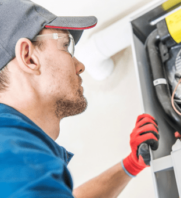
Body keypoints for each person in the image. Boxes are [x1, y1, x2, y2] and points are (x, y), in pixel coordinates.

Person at [0, 0, 160, 197]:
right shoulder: (14, 153)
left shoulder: (14, 156)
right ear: (28, 57)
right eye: (65, 46)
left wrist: (132, 164)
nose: (80, 66)